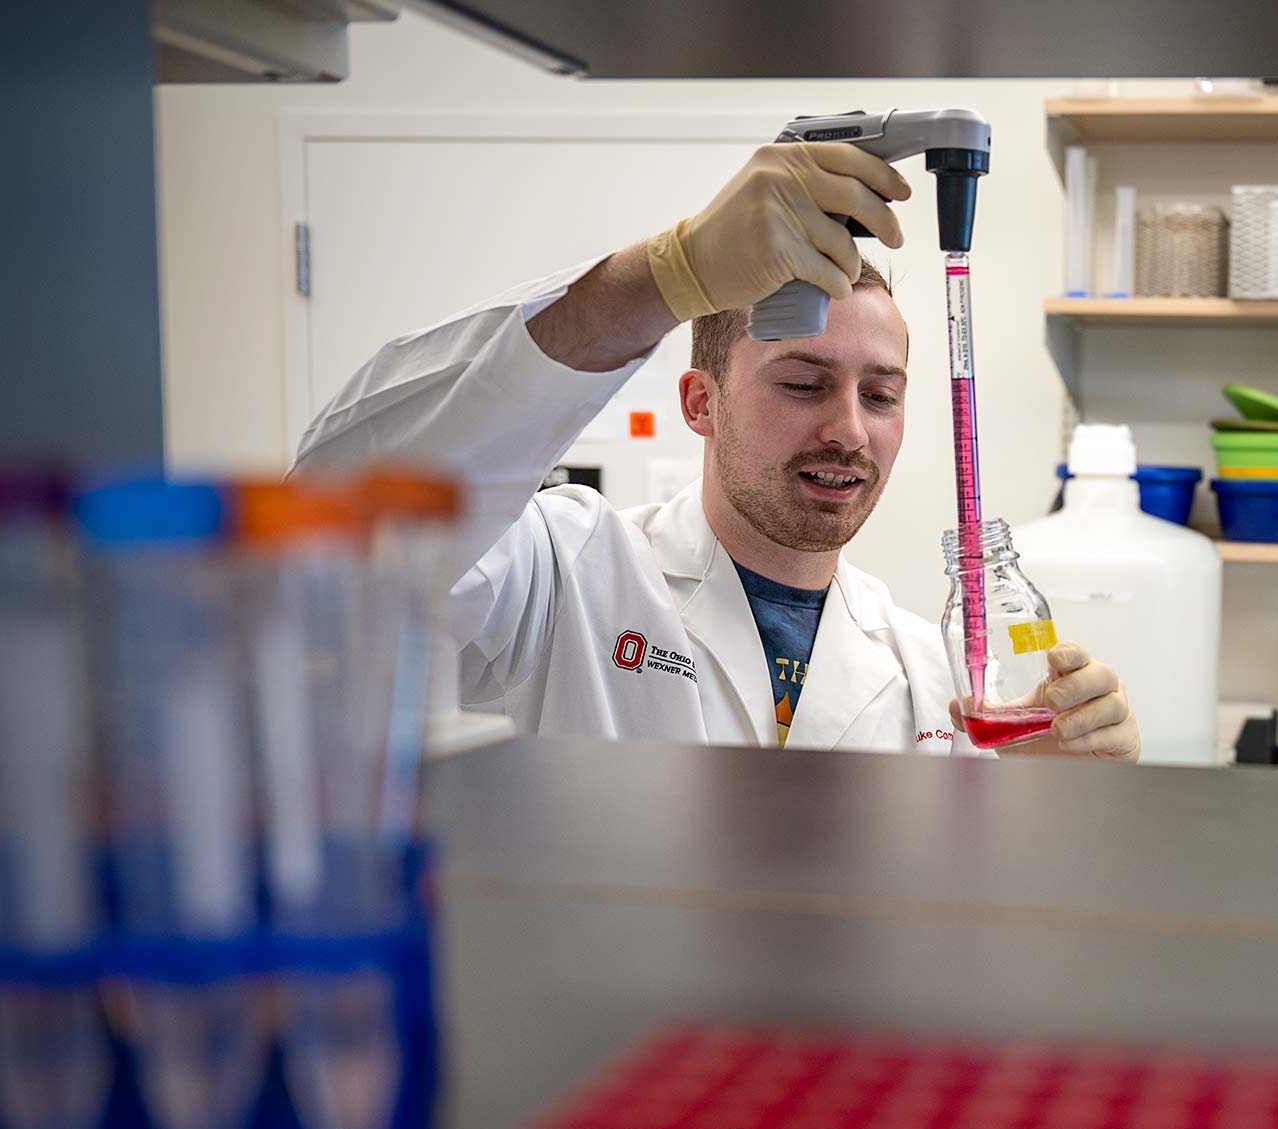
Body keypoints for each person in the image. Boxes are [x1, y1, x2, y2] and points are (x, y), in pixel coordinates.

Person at [295, 143, 1139, 760]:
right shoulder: (566, 571)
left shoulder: (930, 669)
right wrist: (669, 272)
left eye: (880, 393)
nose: (849, 428)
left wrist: (1056, 800)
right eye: (803, 383)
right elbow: (337, 526)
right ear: (701, 402)